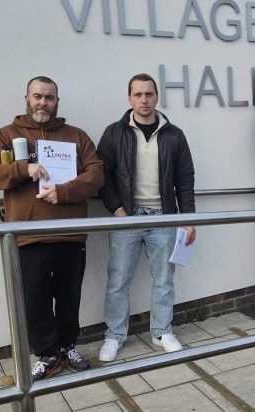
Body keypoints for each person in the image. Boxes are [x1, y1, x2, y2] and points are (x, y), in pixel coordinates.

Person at [0, 76, 104, 381]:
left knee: (69, 297)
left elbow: (96, 175)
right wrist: (24, 169)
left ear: (57, 101)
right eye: (37, 96)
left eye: (49, 97)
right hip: (27, 236)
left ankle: (68, 346)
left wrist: (65, 191)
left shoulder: (76, 136)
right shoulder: (6, 135)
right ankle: (48, 354)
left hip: (70, 234)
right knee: (35, 300)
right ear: (27, 99)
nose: (43, 103)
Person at [96, 73, 196, 362]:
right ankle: (114, 336)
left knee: (164, 279)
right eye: (138, 94)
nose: (144, 100)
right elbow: (102, 176)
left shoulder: (174, 135)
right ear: (129, 98)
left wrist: (188, 218)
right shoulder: (114, 133)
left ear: (157, 97)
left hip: (163, 218)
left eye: (149, 94)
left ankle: (162, 331)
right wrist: (117, 211)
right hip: (126, 218)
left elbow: (185, 179)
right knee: (118, 281)